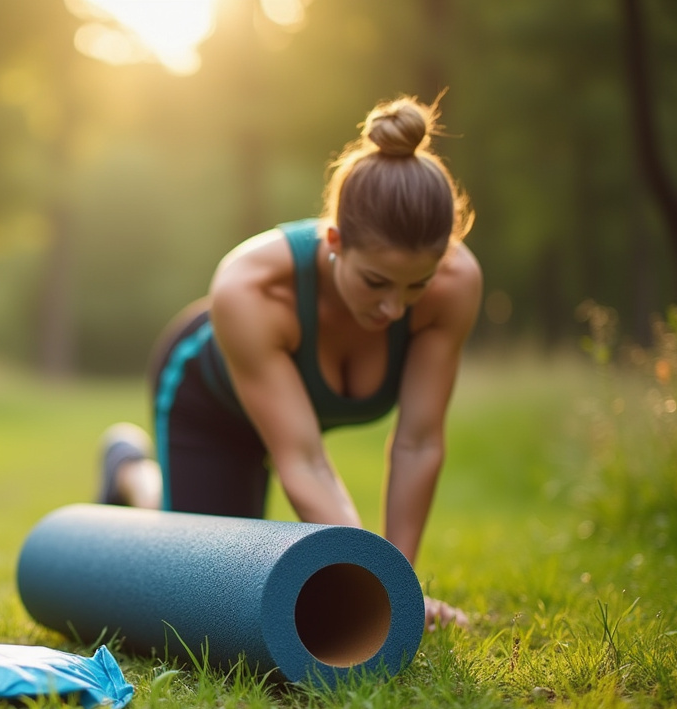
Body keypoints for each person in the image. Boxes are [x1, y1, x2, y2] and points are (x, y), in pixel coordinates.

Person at [97, 95, 479, 631]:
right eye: (376, 283)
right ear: (335, 241)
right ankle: (133, 473)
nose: (395, 308)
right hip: (210, 404)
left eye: (417, 284)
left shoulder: (455, 285)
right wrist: (377, 583)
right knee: (203, 583)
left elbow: (419, 442)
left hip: (284, 416)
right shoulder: (250, 287)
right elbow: (305, 461)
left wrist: (397, 586)